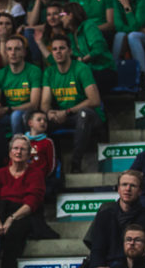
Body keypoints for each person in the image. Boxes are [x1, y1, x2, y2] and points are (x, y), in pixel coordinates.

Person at [0, 135, 49, 268]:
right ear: (9, 152)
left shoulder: (35, 174)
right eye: (15, 148)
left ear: (29, 154)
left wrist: (11, 219)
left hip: (25, 214)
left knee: (12, 235)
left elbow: (32, 202)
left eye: (23, 149)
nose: (18, 152)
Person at [41, 34, 106, 173]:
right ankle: (52, 165)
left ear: (70, 51)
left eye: (62, 48)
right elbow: (44, 103)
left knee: (84, 114)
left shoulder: (81, 68)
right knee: (38, 119)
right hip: (63, 115)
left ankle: (75, 163)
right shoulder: (49, 72)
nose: (58, 52)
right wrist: (49, 112)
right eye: (54, 49)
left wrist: (67, 112)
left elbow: (94, 100)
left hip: (87, 116)